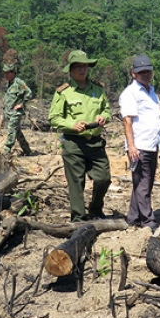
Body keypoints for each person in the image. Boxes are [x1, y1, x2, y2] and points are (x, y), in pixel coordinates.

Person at [49, 50, 112, 222]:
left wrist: (103, 117)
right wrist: (72, 125)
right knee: (76, 183)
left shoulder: (98, 89)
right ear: (71, 69)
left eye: (85, 66)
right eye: (78, 66)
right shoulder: (64, 92)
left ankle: (96, 210)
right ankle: (78, 219)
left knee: (103, 178)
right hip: (73, 143)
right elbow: (53, 118)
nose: (82, 69)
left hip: (96, 143)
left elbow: (106, 110)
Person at [120, 55, 160, 229]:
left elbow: (155, 119)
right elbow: (127, 121)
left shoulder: (152, 92)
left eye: (148, 71)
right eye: (141, 72)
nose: (146, 75)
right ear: (134, 73)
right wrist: (131, 146)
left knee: (143, 183)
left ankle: (133, 218)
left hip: (152, 144)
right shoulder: (130, 93)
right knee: (143, 185)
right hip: (139, 146)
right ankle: (148, 221)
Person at [2, 63, 33, 156]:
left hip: (16, 112)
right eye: (4, 73)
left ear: (13, 73)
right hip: (9, 113)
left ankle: (6, 151)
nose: (5, 75)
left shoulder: (19, 82)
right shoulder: (8, 84)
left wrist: (21, 104)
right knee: (17, 133)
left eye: (7, 73)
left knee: (11, 130)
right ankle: (27, 150)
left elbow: (29, 92)